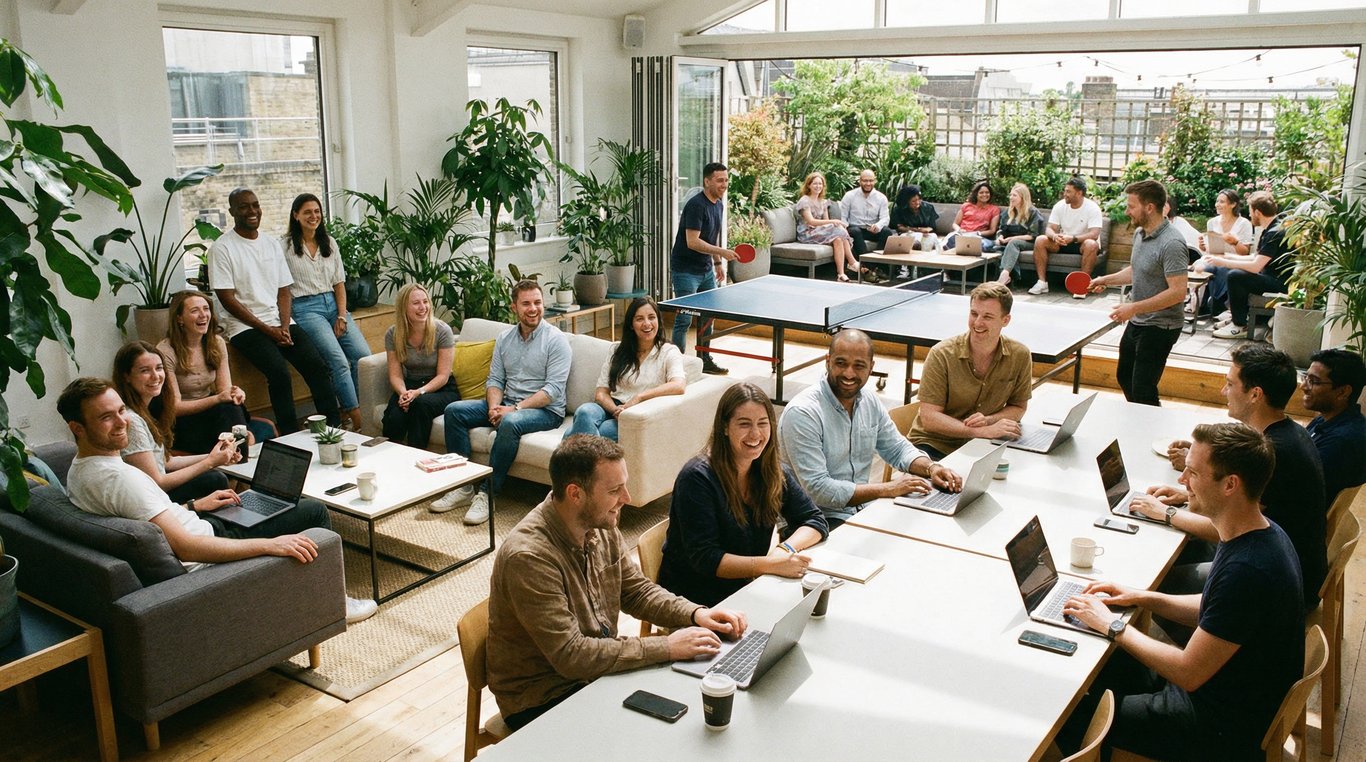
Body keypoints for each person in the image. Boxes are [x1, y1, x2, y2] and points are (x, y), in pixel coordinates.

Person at [1059, 422, 1303, 761]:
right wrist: (1143, 597)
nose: (1181, 481)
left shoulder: (1248, 569)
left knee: (1066, 715)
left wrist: (1114, 626)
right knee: (1107, 666)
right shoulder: (1263, 533)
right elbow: (1214, 608)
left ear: (1230, 484)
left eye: (1193, 473)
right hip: (1227, 694)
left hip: (1216, 725)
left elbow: (1189, 672)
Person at [58, 377, 376, 623]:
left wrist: (194, 505)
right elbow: (188, 548)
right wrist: (271, 544)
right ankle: (335, 602)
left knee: (248, 500)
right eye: (105, 418)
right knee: (312, 510)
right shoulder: (121, 479)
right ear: (78, 428)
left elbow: (141, 517)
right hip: (207, 550)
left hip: (197, 524)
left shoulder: (79, 470)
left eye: (120, 411)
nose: (121, 421)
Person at [486, 434, 746, 730]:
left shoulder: (599, 523)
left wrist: (696, 614)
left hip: (591, 674)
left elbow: (636, 591)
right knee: (662, 729)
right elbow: (571, 656)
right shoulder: (529, 557)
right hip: (542, 698)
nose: (627, 498)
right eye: (614, 490)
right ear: (575, 494)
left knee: (690, 700)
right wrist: (667, 646)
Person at [1149, 343, 1326, 608]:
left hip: (1280, 583)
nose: (1223, 391)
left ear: (1255, 394)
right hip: (1287, 563)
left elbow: (1232, 527)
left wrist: (1166, 513)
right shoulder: (1290, 431)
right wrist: (1192, 491)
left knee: (1159, 581)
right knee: (1178, 548)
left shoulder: (1276, 453)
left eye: (1230, 384)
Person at [658, 383, 830, 606]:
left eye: (762, 424)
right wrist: (770, 565)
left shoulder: (772, 471)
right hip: (695, 597)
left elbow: (815, 521)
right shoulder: (697, 478)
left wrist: (783, 549)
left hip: (748, 585)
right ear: (725, 427)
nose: (756, 434)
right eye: (744, 424)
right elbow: (707, 560)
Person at [780, 329, 963, 528]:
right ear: (828, 360)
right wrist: (888, 489)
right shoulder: (803, 413)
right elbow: (819, 490)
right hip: (813, 522)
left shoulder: (869, 401)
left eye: (859, 365)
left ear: (871, 367)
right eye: (841, 363)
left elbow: (897, 447)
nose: (849, 373)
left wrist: (932, 468)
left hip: (859, 510)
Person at [433, 280, 571, 525]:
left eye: (537, 303)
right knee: (454, 411)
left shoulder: (555, 340)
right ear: (514, 307)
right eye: (526, 303)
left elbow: (553, 391)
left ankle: (488, 494)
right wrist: (494, 407)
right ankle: (464, 486)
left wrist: (512, 410)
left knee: (510, 423)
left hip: (545, 411)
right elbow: (495, 379)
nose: (533, 309)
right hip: (507, 403)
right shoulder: (505, 338)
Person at [209, 187, 340, 434]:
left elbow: (283, 289)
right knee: (279, 373)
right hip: (244, 326)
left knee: (317, 366)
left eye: (255, 205)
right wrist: (268, 330)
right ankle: (289, 435)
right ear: (232, 212)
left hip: (279, 322)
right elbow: (227, 299)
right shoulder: (222, 248)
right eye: (244, 206)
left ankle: (333, 428)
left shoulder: (270, 244)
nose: (252, 211)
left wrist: (282, 324)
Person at [1087, 180, 1189, 406]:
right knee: (1125, 378)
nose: (1126, 211)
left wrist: (1133, 307)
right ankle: (1142, 421)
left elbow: (1177, 292)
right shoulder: (1140, 234)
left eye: (1131, 206)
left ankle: (1150, 430)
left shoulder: (1172, 243)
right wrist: (1106, 279)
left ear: (1150, 207)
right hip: (1139, 320)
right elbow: (1137, 270)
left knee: (1143, 388)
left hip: (1162, 326)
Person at [908, 282, 1032, 458]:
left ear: (1005, 320)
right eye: (974, 314)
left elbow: (1018, 407)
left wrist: (988, 421)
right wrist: (983, 431)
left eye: (987, 317)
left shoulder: (1020, 355)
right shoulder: (941, 354)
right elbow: (930, 418)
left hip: (985, 444)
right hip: (934, 444)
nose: (978, 323)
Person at [282, 192, 370, 431]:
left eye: (317, 211)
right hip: (305, 308)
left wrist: (342, 315)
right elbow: (283, 289)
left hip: (333, 305)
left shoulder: (329, 242)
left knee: (362, 356)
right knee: (338, 361)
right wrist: (284, 321)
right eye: (307, 212)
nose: (314, 216)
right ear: (296, 215)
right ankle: (360, 421)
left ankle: (353, 409)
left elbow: (339, 283)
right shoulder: (285, 246)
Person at [112, 341, 239, 505]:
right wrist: (210, 463)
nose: (156, 376)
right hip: (151, 499)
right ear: (126, 376)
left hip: (158, 488)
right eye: (145, 371)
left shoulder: (146, 410)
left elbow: (166, 462)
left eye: (159, 368)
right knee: (214, 479)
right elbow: (157, 482)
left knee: (215, 475)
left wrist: (216, 456)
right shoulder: (132, 421)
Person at [567, 296, 686, 442]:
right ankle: (578, 448)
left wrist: (639, 397)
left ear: (658, 321)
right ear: (631, 324)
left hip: (638, 413)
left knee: (589, 432)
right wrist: (615, 410)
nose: (647, 323)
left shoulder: (669, 351)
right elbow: (601, 392)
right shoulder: (617, 350)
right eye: (639, 319)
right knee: (584, 412)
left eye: (651, 317)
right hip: (612, 407)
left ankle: (571, 440)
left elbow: (678, 385)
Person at [157, 290, 252, 455]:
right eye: (195, 311)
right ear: (179, 318)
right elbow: (174, 407)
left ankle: (239, 458)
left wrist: (234, 393)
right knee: (233, 424)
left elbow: (224, 390)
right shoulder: (165, 351)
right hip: (182, 420)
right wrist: (217, 399)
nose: (203, 315)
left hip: (212, 412)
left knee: (233, 406)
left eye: (206, 309)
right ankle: (240, 454)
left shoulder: (216, 342)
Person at [669, 161, 735, 375]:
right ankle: (675, 365)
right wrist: (723, 252)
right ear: (707, 181)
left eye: (726, 180)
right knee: (685, 318)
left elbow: (711, 236)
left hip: (705, 268)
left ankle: (704, 358)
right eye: (719, 180)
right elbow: (693, 241)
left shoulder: (718, 204)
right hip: (685, 269)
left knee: (709, 315)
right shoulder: (696, 205)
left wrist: (717, 262)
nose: (724, 184)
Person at [381, 283, 459, 448]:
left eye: (425, 301)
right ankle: (389, 460)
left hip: (441, 389)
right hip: (410, 386)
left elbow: (443, 376)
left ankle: (417, 458)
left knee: (420, 406)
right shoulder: (393, 334)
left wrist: (418, 393)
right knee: (394, 416)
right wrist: (404, 393)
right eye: (416, 303)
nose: (423, 307)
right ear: (404, 307)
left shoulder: (442, 331)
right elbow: (395, 375)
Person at [1210, 191, 1293, 340]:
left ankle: (1239, 325)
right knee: (1236, 272)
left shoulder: (1275, 232)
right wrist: (1227, 256)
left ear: (1257, 212)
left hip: (1280, 283)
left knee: (1236, 275)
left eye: (1250, 211)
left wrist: (1223, 262)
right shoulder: (1272, 228)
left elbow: (1256, 266)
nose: (1249, 215)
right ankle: (1237, 318)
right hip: (1270, 276)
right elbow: (1256, 257)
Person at [1302, 348, 1366, 506]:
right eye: (1305, 377)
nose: (1303, 386)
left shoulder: (1342, 441)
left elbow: (1301, 491)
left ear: (1343, 392)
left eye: (1314, 381)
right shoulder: (1325, 420)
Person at [1028, 176, 1103, 296]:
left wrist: (1073, 238)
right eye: (1065, 191)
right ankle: (1042, 282)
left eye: (1068, 191)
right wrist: (1054, 237)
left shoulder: (1092, 208)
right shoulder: (1060, 205)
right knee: (1041, 240)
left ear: (1079, 193)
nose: (1064, 194)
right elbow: (1050, 229)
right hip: (1062, 242)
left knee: (1091, 244)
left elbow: (1094, 234)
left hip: (1081, 243)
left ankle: (1082, 286)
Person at [1192, 189, 1255, 316]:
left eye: (1222, 202)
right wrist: (1203, 247)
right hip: (1214, 256)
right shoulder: (1212, 222)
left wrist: (1235, 242)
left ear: (1233, 204)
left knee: (1219, 268)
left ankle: (1217, 304)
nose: (1217, 204)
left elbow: (1245, 253)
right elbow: (1210, 249)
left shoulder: (1244, 223)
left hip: (1233, 259)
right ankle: (1199, 304)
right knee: (1199, 266)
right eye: (1217, 201)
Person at [796, 171, 863, 283]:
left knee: (838, 238)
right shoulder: (804, 200)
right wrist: (834, 221)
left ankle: (841, 274)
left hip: (819, 231)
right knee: (838, 230)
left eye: (820, 184)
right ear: (809, 185)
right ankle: (852, 262)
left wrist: (834, 224)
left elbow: (825, 221)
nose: (818, 186)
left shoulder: (823, 202)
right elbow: (811, 221)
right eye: (815, 184)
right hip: (807, 233)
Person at [994, 183, 1046, 286]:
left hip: (1029, 243)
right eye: (1011, 195)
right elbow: (1001, 230)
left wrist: (1012, 238)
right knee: (996, 246)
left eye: (1014, 195)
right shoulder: (1008, 212)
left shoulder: (1033, 212)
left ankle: (1005, 275)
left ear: (1023, 198)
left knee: (1014, 243)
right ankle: (1007, 278)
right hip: (1010, 242)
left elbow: (1033, 235)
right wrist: (1000, 237)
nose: (1011, 198)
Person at [840, 169, 892, 257]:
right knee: (855, 231)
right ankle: (866, 263)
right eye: (865, 181)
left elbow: (885, 218)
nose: (868, 183)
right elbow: (843, 217)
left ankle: (877, 260)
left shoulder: (881, 198)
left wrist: (878, 226)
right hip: (855, 229)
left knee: (887, 231)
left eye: (871, 180)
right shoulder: (849, 196)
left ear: (875, 181)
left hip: (873, 230)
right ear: (860, 181)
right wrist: (844, 229)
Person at [945, 180, 1000, 253]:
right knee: (951, 241)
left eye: (987, 192)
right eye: (981, 192)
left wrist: (977, 233)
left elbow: (992, 230)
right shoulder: (966, 206)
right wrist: (959, 230)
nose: (984, 195)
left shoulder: (994, 209)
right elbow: (955, 224)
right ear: (976, 194)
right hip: (961, 234)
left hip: (977, 236)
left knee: (986, 246)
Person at [890, 184, 940, 248]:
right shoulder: (899, 209)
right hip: (907, 234)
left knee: (933, 237)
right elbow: (900, 227)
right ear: (906, 202)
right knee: (906, 238)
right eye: (913, 201)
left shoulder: (928, 207)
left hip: (925, 235)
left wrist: (925, 230)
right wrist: (917, 230)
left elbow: (932, 227)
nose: (917, 203)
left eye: (919, 200)